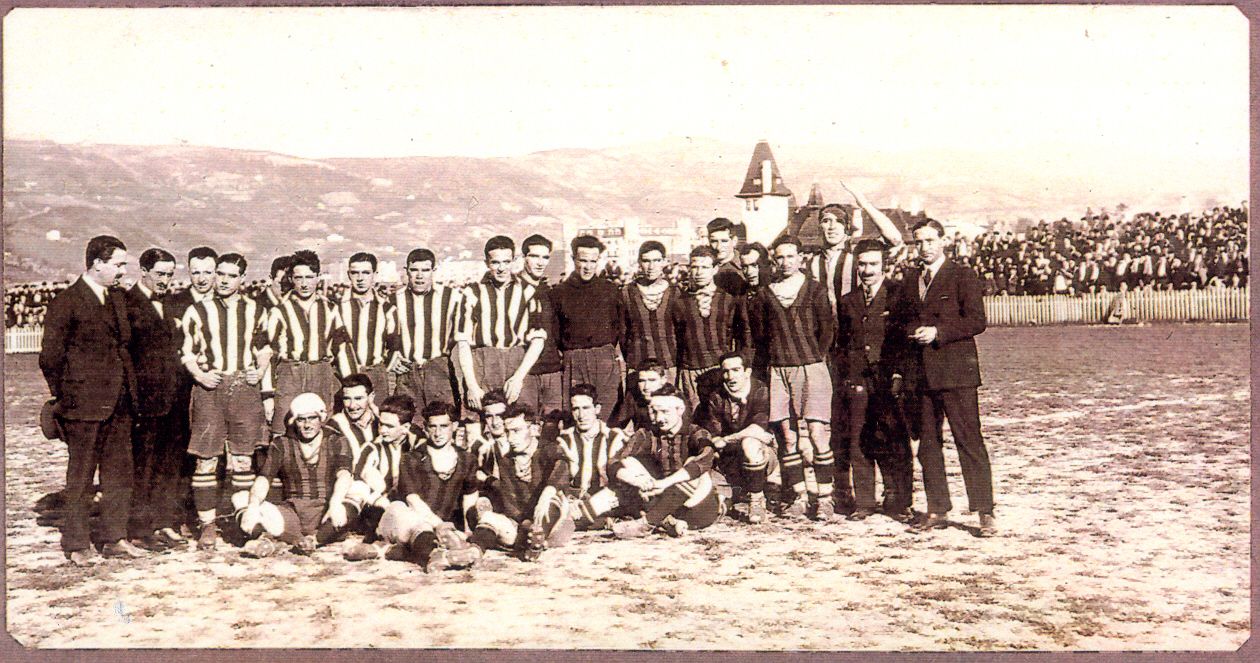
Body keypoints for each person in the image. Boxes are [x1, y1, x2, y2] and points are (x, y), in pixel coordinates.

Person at [40, 235, 144, 564]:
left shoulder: (117, 299)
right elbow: (50, 359)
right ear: (97, 263)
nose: (123, 272)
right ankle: (76, 543)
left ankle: (114, 538)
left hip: (119, 406)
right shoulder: (67, 302)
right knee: (81, 477)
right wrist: (68, 397)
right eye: (118, 265)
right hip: (82, 409)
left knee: (118, 475)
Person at [897, 219, 996, 537]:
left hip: (956, 373)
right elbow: (900, 322)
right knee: (928, 445)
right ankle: (938, 508)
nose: (923, 247)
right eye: (918, 242)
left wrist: (939, 332)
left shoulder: (962, 275)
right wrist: (910, 334)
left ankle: (984, 511)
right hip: (921, 376)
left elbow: (977, 321)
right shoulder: (911, 278)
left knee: (968, 441)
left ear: (943, 241)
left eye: (929, 241)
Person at [180, 253, 274, 549]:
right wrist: (199, 376)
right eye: (219, 274)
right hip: (211, 388)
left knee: (243, 459)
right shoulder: (197, 310)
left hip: (243, 389)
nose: (222, 280)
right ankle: (207, 526)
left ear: (242, 279)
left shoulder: (256, 310)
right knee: (206, 459)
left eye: (231, 275)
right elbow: (187, 352)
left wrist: (257, 372)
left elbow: (264, 348)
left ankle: (244, 522)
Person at [750, 236, 836, 519]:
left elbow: (827, 330)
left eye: (790, 256)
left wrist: (811, 357)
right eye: (780, 257)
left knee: (816, 434)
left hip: (811, 368)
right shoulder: (765, 294)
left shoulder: (814, 289)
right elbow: (762, 335)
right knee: (787, 437)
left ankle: (825, 497)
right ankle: (798, 496)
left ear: (801, 258)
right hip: (779, 370)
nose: (785, 262)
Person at [837, 240, 914, 522]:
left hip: (889, 380)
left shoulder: (898, 295)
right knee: (859, 439)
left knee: (894, 439)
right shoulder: (848, 301)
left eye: (872, 264)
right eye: (862, 264)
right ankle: (865, 502)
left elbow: (905, 342)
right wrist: (848, 378)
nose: (867, 270)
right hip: (858, 381)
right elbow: (844, 344)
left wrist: (899, 375)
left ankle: (899, 500)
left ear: (883, 265)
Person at [356, 400, 481, 569]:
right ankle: (437, 555)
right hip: (405, 522)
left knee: (427, 533)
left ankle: (390, 551)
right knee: (404, 513)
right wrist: (439, 525)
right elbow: (412, 500)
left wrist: (468, 531)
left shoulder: (467, 459)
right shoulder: (411, 458)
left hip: (439, 528)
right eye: (432, 427)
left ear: (455, 426)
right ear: (426, 428)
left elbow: (469, 496)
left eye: (443, 426)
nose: (438, 433)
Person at [235, 393, 356, 556]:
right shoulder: (282, 443)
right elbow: (264, 478)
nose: (307, 425)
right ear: (294, 421)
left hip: (326, 512)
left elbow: (344, 475)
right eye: (301, 419)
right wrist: (253, 506)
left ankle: (315, 540)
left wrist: (335, 503)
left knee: (358, 489)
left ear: (321, 418)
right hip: (292, 514)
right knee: (242, 498)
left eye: (312, 418)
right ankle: (265, 539)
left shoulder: (336, 440)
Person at [122, 247, 184, 550]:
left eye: (170, 274)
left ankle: (165, 522)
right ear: (143, 271)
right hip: (144, 404)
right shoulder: (126, 303)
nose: (165, 280)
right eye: (160, 274)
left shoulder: (171, 303)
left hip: (172, 401)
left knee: (168, 464)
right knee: (142, 467)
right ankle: (139, 530)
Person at [454, 236, 546, 437]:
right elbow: (463, 343)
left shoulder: (528, 291)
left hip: (516, 362)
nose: (502, 268)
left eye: (506, 261)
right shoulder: (472, 293)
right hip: (483, 362)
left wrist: (519, 377)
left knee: (521, 425)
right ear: (487, 263)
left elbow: (538, 340)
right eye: (495, 262)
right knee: (476, 426)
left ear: (514, 261)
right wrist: (471, 385)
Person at [463, 402, 574, 564]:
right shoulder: (507, 461)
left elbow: (563, 467)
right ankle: (473, 552)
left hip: (552, 522)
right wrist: (525, 522)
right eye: (507, 432)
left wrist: (548, 492)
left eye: (516, 431)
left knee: (554, 499)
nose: (510, 438)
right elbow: (511, 504)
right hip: (522, 524)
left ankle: (536, 537)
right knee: (490, 518)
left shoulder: (549, 450)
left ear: (534, 429)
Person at [263, 249, 352, 439]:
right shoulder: (279, 311)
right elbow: (268, 354)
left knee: (323, 429)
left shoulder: (330, 309)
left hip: (321, 373)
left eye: (309, 277)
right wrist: (267, 396)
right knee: (284, 431)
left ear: (318, 277)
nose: (304, 283)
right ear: (291, 279)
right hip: (290, 375)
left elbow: (342, 349)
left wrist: (351, 384)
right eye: (299, 277)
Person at [696, 352, 779, 524]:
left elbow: (757, 428)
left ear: (747, 372)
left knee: (750, 442)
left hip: (761, 457)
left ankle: (757, 500)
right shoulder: (717, 397)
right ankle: (731, 499)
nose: (730, 376)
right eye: (726, 371)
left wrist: (728, 439)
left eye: (736, 370)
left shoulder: (760, 390)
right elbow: (715, 435)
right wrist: (723, 441)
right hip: (730, 458)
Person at [550, 235, 624, 421]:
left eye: (593, 261)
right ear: (573, 259)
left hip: (604, 357)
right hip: (574, 358)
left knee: (609, 412)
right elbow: (556, 332)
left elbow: (618, 325)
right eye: (583, 260)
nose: (588, 266)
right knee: (577, 413)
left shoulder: (610, 290)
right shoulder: (559, 293)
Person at [670, 246, 752, 412]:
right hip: (691, 371)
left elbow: (743, 335)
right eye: (695, 267)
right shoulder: (680, 302)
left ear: (714, 269)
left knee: (724, 416)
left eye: (705, 267)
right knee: (696, 417)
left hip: (721, 370)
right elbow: (676, 340)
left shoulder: (728, 300)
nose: (699, 272)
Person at [387, 248, 463, 424]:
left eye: (425, 270)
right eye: (414, 270)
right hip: (407, 372)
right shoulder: (394, 299)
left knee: (442, 423)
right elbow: (382, 335)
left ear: (433, 271)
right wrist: (391, 357)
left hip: (438, 369)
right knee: (409, 425)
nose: (419, 276)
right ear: (406, 271)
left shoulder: (451, 297)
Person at [517, 234, 565, 419]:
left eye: (545, 257)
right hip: (525, 372)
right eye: (534, 256)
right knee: (525, 424)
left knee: (552, 427)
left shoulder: (548, 292)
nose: (540, 262)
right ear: (523, 258)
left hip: (552, 370)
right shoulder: (513, 290)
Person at [620, 241, 681, 384]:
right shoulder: (627, 292)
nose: (651, 266)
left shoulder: (675, 292)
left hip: (668, 365)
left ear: (664, 262)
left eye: (656, 260)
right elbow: (623, 332)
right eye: (646, 261)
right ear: (639, 263)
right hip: (638, 366)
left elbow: (681, 331)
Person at [555, 383, 628, 500]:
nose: (581, 415)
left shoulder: (614, 437)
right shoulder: (565, 439)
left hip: (605, 500)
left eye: (586, 408)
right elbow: (558, 478)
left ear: (597, 409)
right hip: (573, 501)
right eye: (575, 409)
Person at [337, 252, 395, 397]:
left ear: (374, 274)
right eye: (355, 273)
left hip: (375, 375)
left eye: (366, 273)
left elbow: (395, 346)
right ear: (348, 274)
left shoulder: (387, 308)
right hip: (343, 378)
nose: (360, 278)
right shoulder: (336, 307)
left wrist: (380, 370)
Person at [326, 373, 379, 468]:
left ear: (371, 397)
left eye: (358, 398)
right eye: (347, 399)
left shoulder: (381, 422)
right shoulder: (335, 425)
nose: (352, 405)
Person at [609, 358, 669, 433]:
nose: (646, 386)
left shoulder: (674, 398)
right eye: (642, 381)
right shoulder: (634, 396)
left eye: (652, 380)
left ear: (663, 380)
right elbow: (618, 424)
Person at [707, 217, 745, 296]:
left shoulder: (745, 265)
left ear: (734, 241)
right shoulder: (703, 265)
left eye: (724, 241)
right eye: (714, 241)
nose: (718, 247)